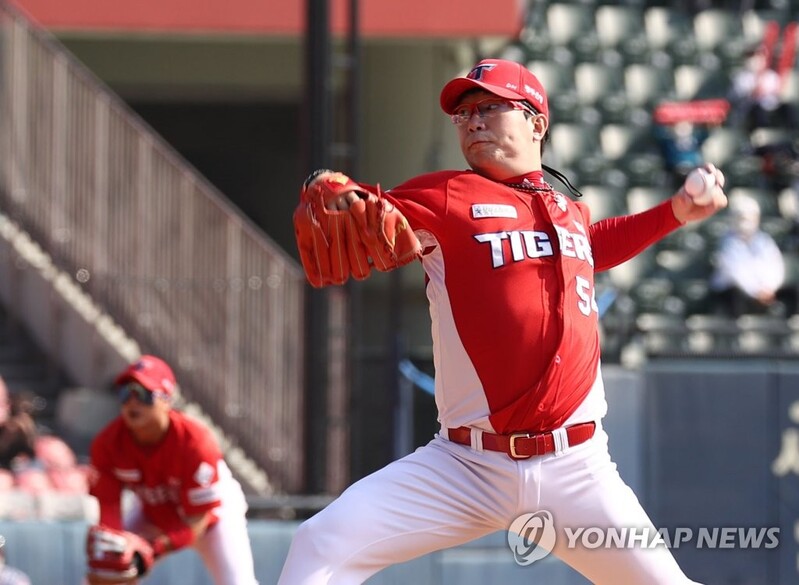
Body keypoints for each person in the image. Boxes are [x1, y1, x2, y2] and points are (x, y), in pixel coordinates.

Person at [282, 58, 727, 584]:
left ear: (536, 123)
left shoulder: (568, 211)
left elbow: (593, 245)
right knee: (320, 542)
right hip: (464, 466)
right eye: (463, 113)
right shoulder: (447, 194)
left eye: (489, 107)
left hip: (576, 468)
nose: (472, 121)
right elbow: (365, 206)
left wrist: (675, 212)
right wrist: (327, 185)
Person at [85, 355, 258, 585]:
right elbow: (109, 508)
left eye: (143, 393)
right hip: (154, 514)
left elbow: (198, 520)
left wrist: (154, 549)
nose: (132, 402)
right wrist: (113, 550)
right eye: (125, 393)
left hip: (212, 518)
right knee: (108, 571)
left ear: (167, 398)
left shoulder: (195, 442)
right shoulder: (108, 443)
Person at [710, 193, 791, 316]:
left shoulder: (764, 240)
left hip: (764, 292)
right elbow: (737, 273)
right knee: (735, 295)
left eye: (751, 217)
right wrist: (756, 291)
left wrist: (769, 288)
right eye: (742, 218)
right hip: (733, 293)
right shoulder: (727, 242)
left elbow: (776, 266)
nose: (747, 222)